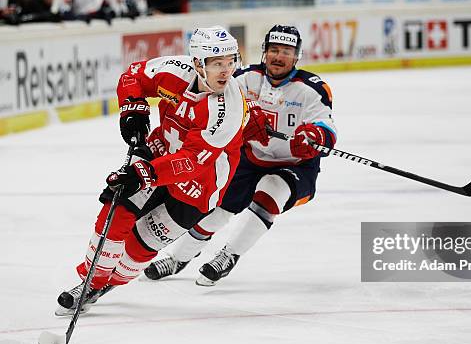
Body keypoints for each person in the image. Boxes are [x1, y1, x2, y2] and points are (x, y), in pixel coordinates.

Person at [55, 26, 259, 315]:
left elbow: (191, 162)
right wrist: (132, 108)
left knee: (138, 249)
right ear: (198, 63)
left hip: (199, 187)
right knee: (115, 211)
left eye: (230, 62)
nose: (226, 71)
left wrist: (142, 175)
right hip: (159, 153)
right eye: (217, 64)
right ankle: (90, 282)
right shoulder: (175, 70)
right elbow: (133, 76)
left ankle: (108, 282)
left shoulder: (228, 108)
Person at [144, 25, 337, 286]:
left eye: (286, 52)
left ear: (297, 56)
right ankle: (179, 257)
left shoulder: (312, 88)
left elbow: (326, 126)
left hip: (296, 165)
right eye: (274, 50)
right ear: (264, 52)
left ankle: (228, 255)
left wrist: (316, 137)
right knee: (219, 209)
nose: (279, 57)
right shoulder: (244, 79)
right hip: (252, 158)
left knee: (272, 190)